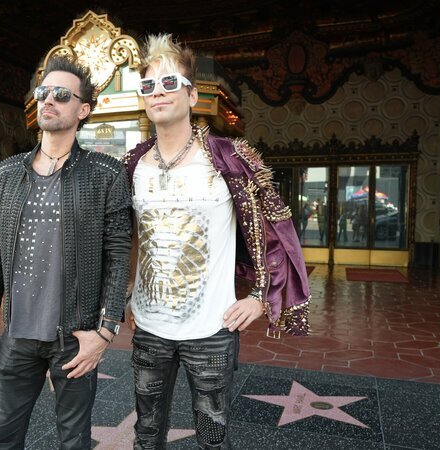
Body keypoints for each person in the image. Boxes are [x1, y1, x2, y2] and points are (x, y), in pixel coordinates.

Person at [122, 34, 310, 449]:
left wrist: (260, 297)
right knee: (146, 433)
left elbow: (276, 231)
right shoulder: (133, 164)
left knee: (212, 437)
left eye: (170, 83)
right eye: (149, 86)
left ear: (192, 96)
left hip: (212, 330)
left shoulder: (229, 157)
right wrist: (131, 289)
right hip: (149, 327)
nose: (158, 93)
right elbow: (131, 233)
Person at [0, 55, 132, 449]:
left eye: (61, 95)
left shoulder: (105, 173)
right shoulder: (7, 172)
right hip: (17, 334)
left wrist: (105, 332)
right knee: (2, 439)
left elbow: (118, 258)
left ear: (83, 110)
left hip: (75, 337)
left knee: (73, 441)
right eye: (43, 92)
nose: (48, 100)